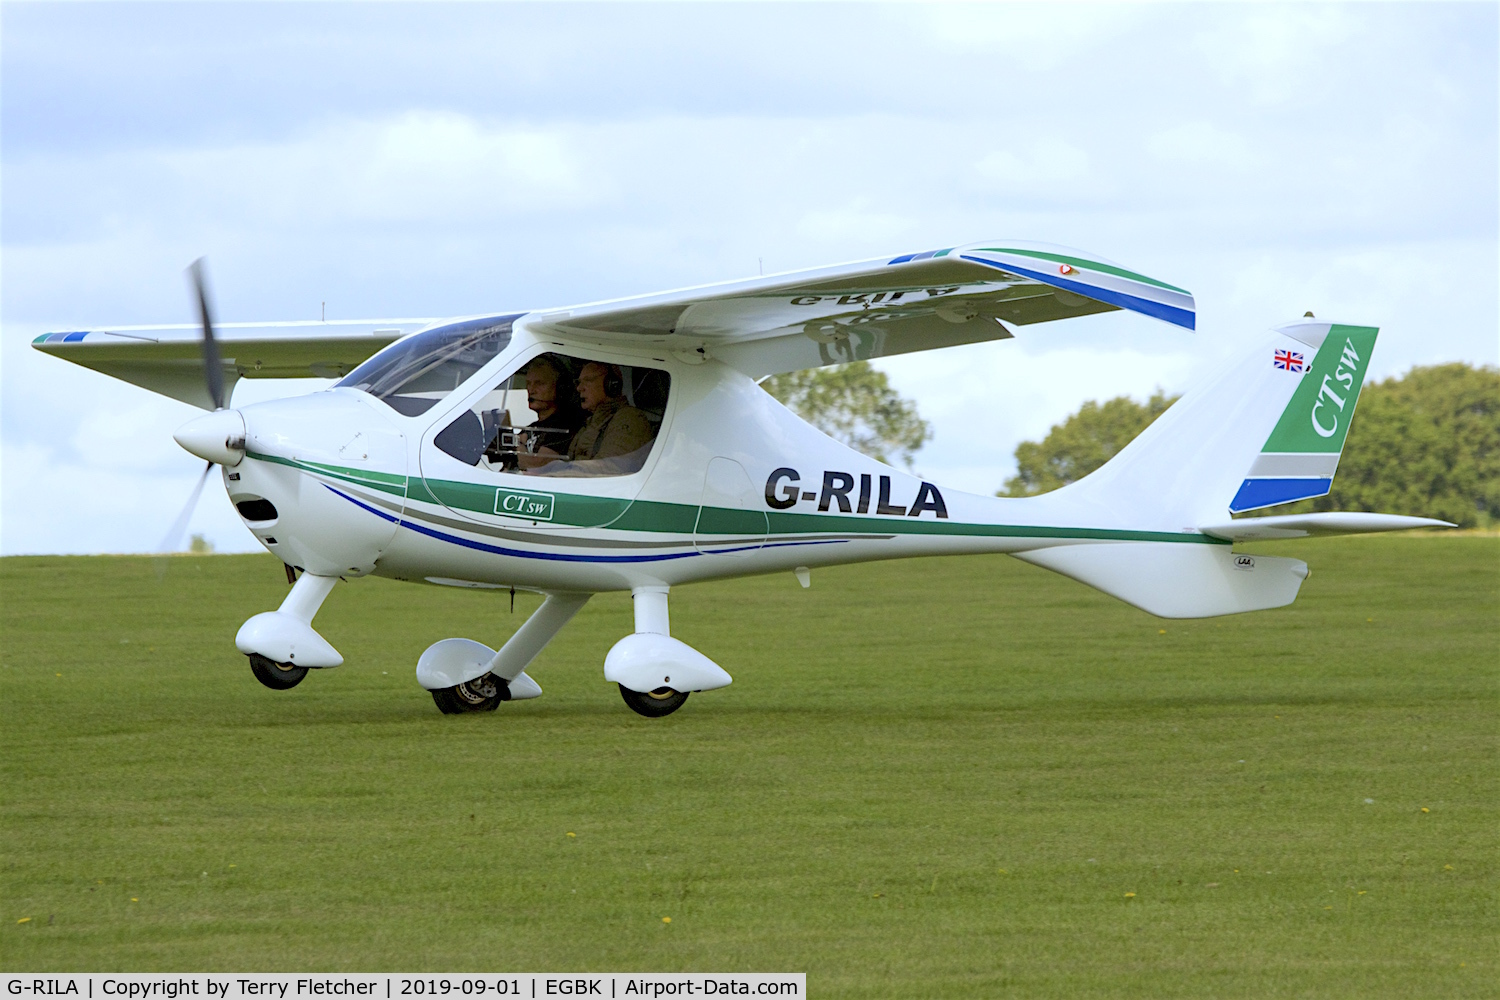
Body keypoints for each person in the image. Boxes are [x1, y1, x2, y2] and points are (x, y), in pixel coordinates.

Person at [566, 362, 654, 460]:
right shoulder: (591, 422)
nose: (579, 388)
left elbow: (607, 468)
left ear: (611, 384)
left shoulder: (629, 418)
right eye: (579, 383)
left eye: (588, 380)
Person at [514, 356, 586, 469]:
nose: (531, 390)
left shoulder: (565, 428)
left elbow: (536, 467)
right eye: (528, 383)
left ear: (560, 388)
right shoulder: (530, 428)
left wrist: (514, 443)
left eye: (539, 383)